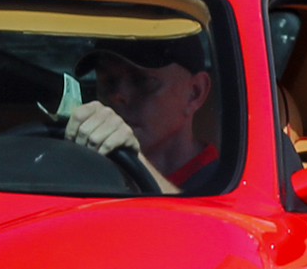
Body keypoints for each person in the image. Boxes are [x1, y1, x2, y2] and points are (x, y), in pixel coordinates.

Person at [60, 36, 216, 192]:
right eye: (107, 80)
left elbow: (199, 216)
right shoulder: (84, 171)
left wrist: (136, 165)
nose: (117, 95)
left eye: (142, 80)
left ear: (194, 93)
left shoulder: (225, 181)